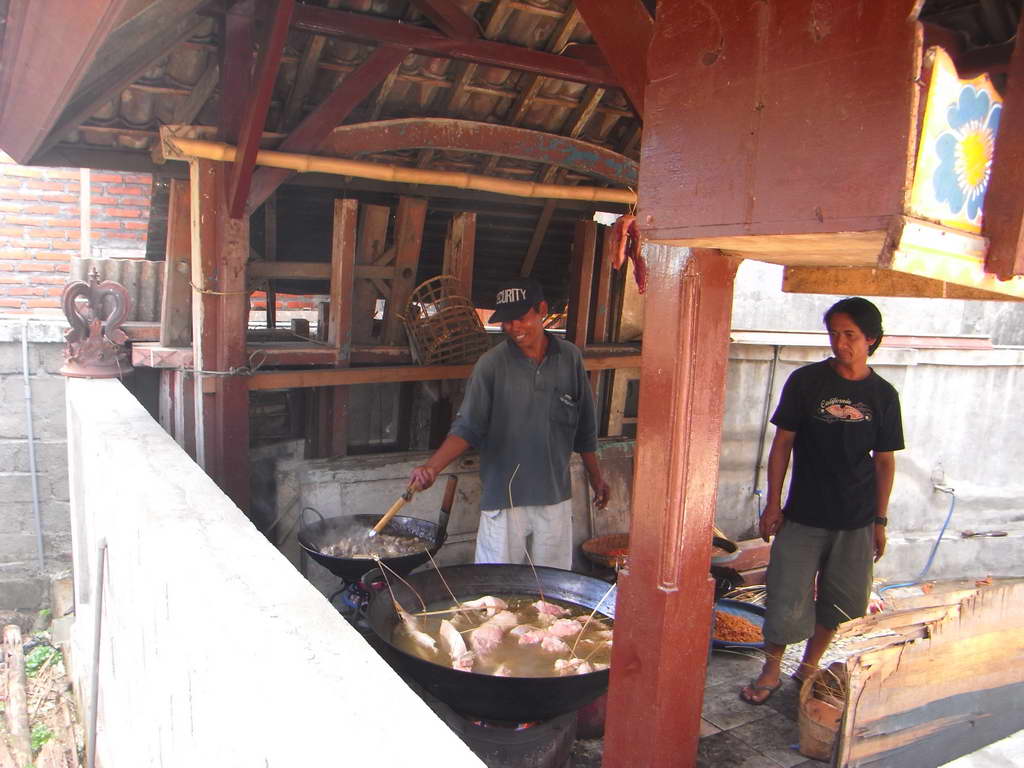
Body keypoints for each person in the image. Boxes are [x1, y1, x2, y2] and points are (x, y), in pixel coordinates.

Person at [740, 297, 904, 705]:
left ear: (871, 339)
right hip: (803, 514)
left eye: (849, 335)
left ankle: (808, 667)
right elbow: (782, 445)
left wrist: (879, 521)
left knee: (841, 602)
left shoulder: (883, 395)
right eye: (834, 334)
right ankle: (772, 669)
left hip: (857, 518)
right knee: (785, 593)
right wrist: (772, 503)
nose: (840, 342)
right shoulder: (806, 381)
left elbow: (885, 463)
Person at [409, 277, 610, 570]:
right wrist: (432, 467)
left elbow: (585, 428)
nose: (513, 328)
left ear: (541, 309)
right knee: (496, 592)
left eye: (520, 318)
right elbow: (467, 428)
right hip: (504, 501)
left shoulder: (570, 359)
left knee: (551, 591)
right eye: (505, 321)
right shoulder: (491, 365)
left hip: (554, 497)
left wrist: (596, 477)